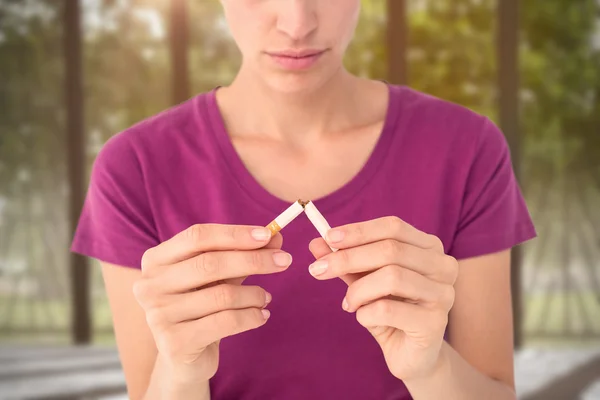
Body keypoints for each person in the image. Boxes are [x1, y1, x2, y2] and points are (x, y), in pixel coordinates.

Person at [71, 1, 537, 399]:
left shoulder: (466, 148)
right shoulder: (134, 167)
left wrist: (431, 368)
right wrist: (181, 372)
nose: (297, 24)